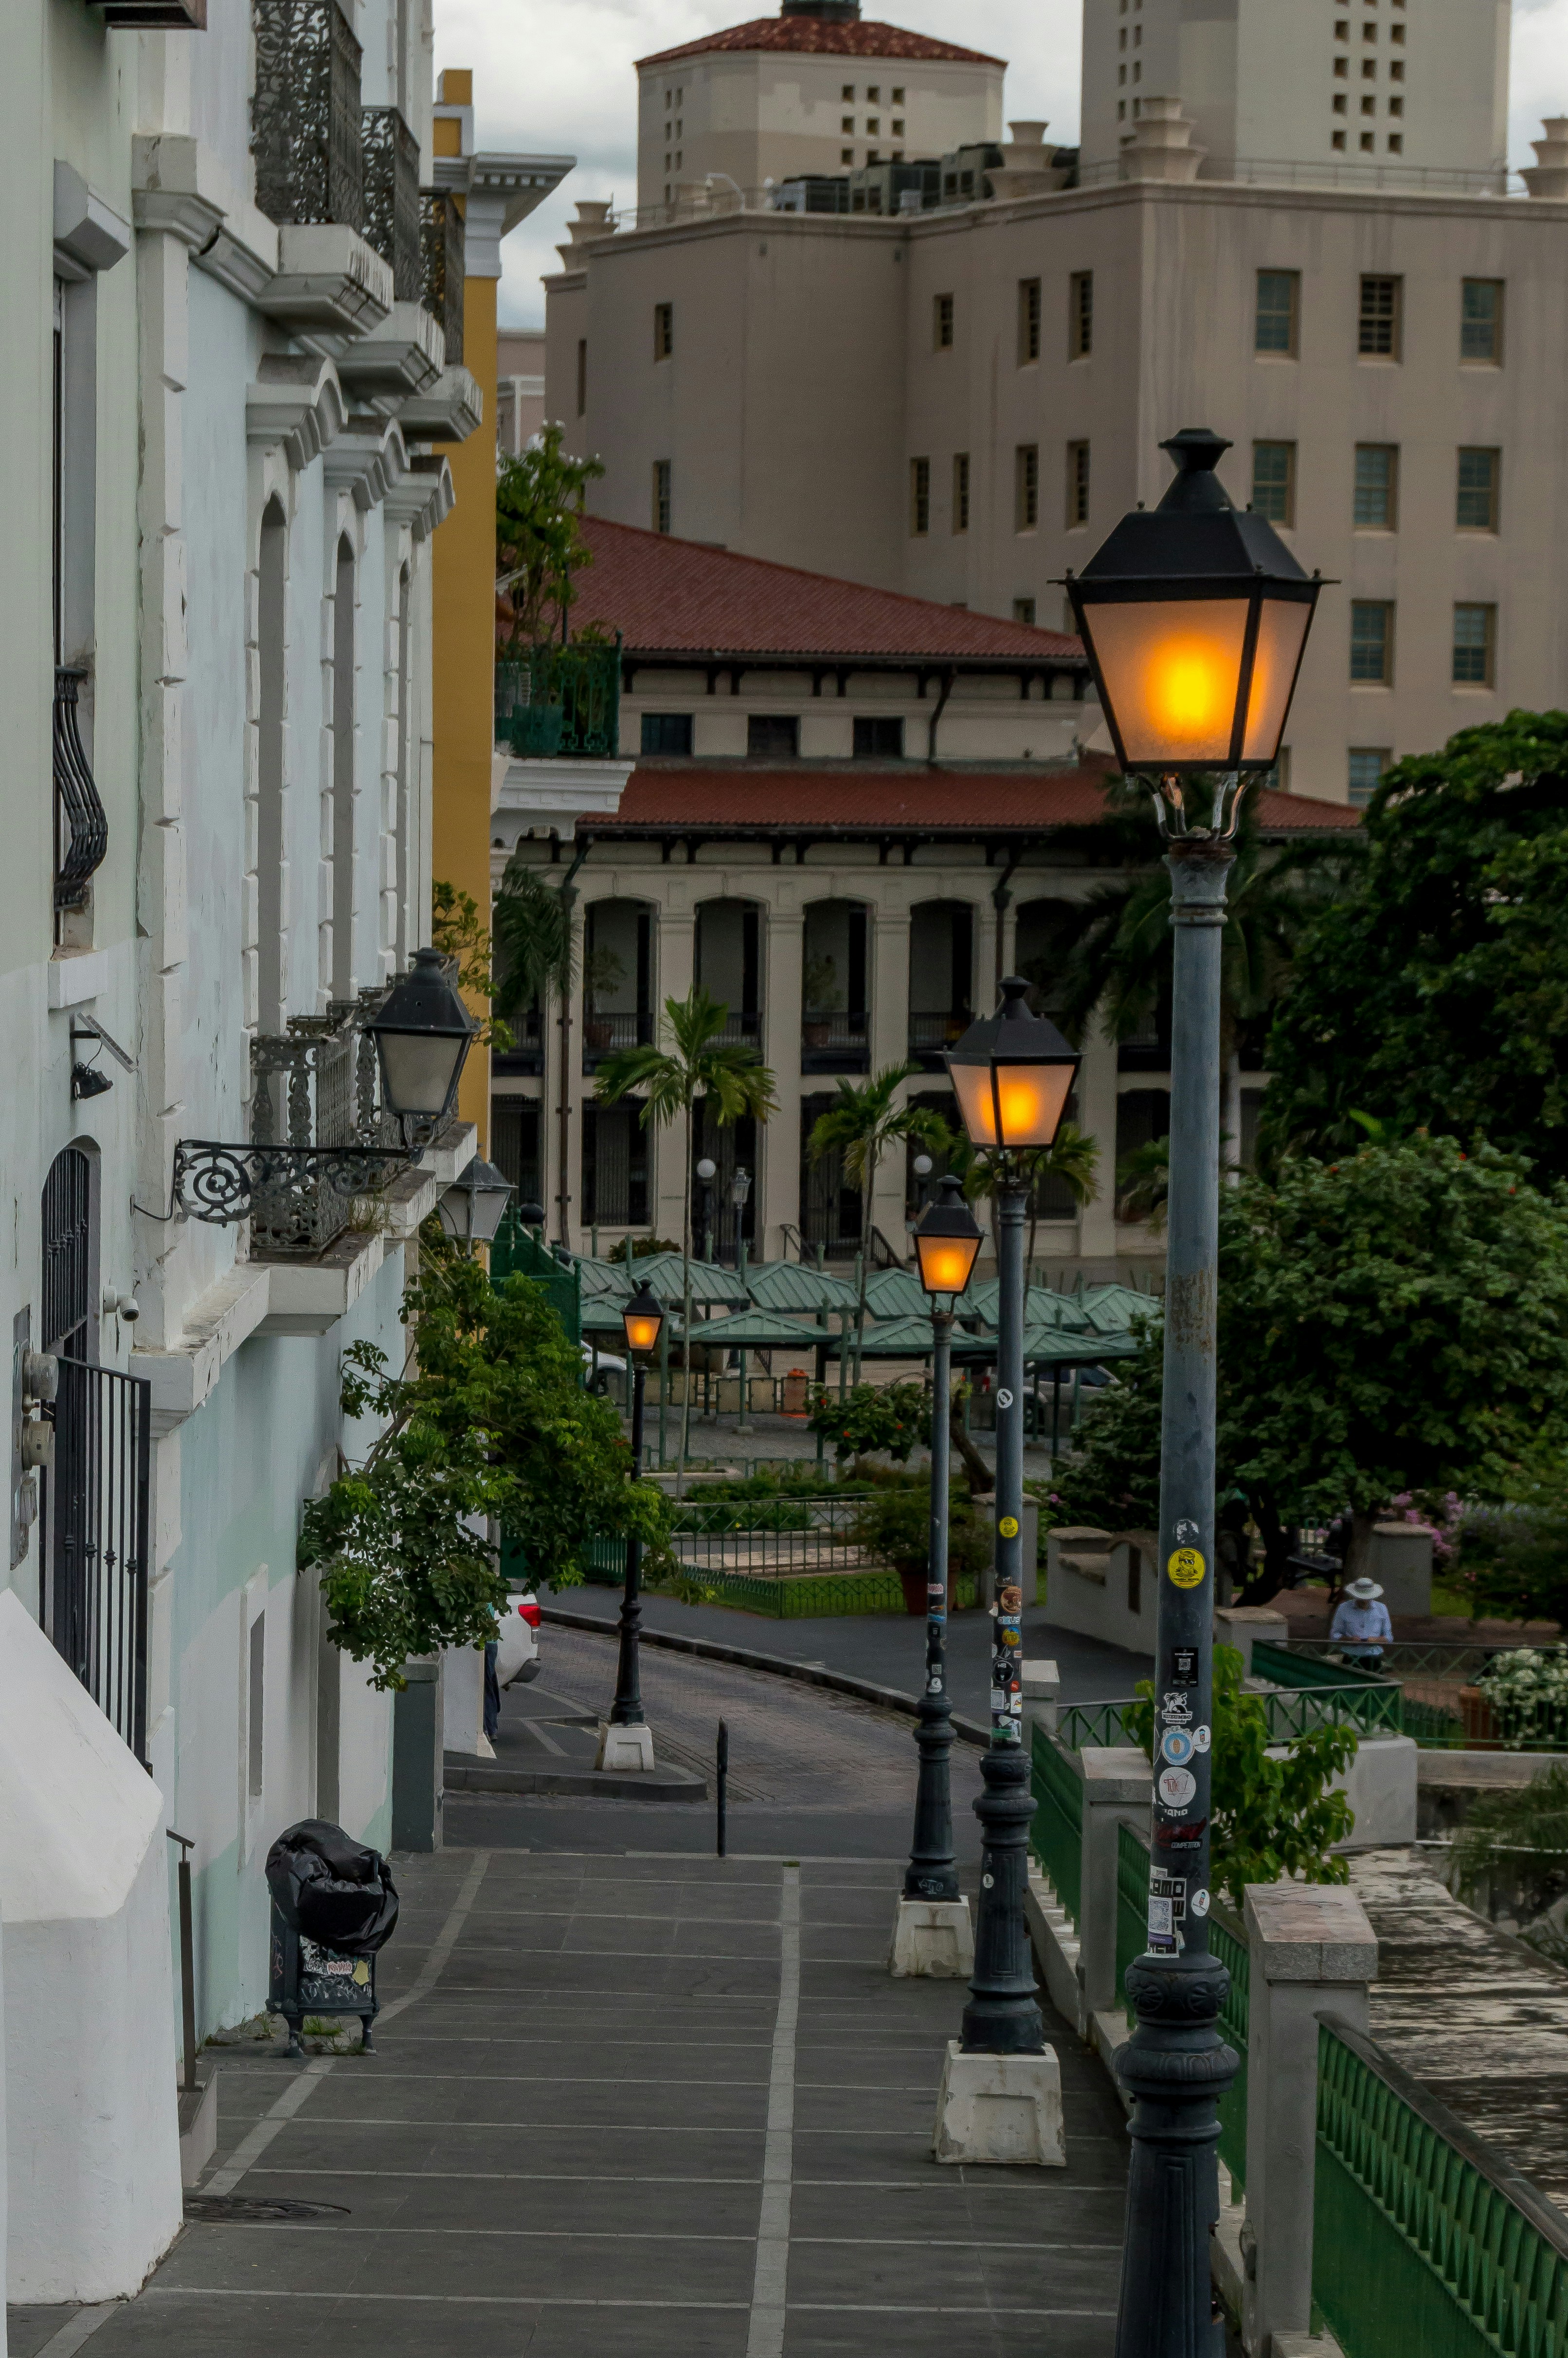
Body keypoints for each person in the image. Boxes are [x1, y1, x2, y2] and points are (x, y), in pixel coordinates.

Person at [1329, 1577, 1393, 1671]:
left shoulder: (1381, 1608)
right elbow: (1334, 1635)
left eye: (1367, 1598)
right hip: (1350, 1656)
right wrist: (1350, 1640)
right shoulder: (1343, 1608)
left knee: (1375, 1685)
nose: (1364, 1601)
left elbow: (1389, 1637)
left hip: (1374, 1656)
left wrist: (1376, 1640)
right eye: (1361, 1598)